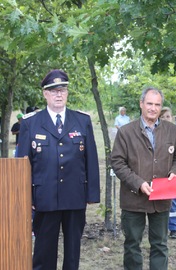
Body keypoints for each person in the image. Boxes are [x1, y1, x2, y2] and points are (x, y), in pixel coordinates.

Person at [17, 69, 100, 270]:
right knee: (44, 254)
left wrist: (92, 194)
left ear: (67, 93)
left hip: (74, 196)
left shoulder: (82, 120)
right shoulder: (30, 123)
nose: (58, 94)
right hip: (44, 198)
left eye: (62, 90)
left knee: (72, 255)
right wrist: (25, 197)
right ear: (45, 94)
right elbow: (22, 164)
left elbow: (91, 159)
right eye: (53, 90)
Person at [111, 87, 176, 270]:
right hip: (133, 198)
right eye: (149, 103)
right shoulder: (126, 132)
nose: (153, 108)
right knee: (132, 245)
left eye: (157, 104)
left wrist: (175, 171)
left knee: (160, 244)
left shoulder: (171, 130)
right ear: (141, 104)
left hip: (161, 198)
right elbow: (118, 163)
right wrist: (139, 183)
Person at [159, 107, 176, 239]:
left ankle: (173, 228)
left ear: (173, 118)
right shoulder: (154, 133)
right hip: (158, 174)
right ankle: (161, 228)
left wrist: (175, 171)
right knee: (159, 201)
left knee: (173, 201)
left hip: (172, 174)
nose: (165, 119)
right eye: (162, 117)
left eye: (168, 116)